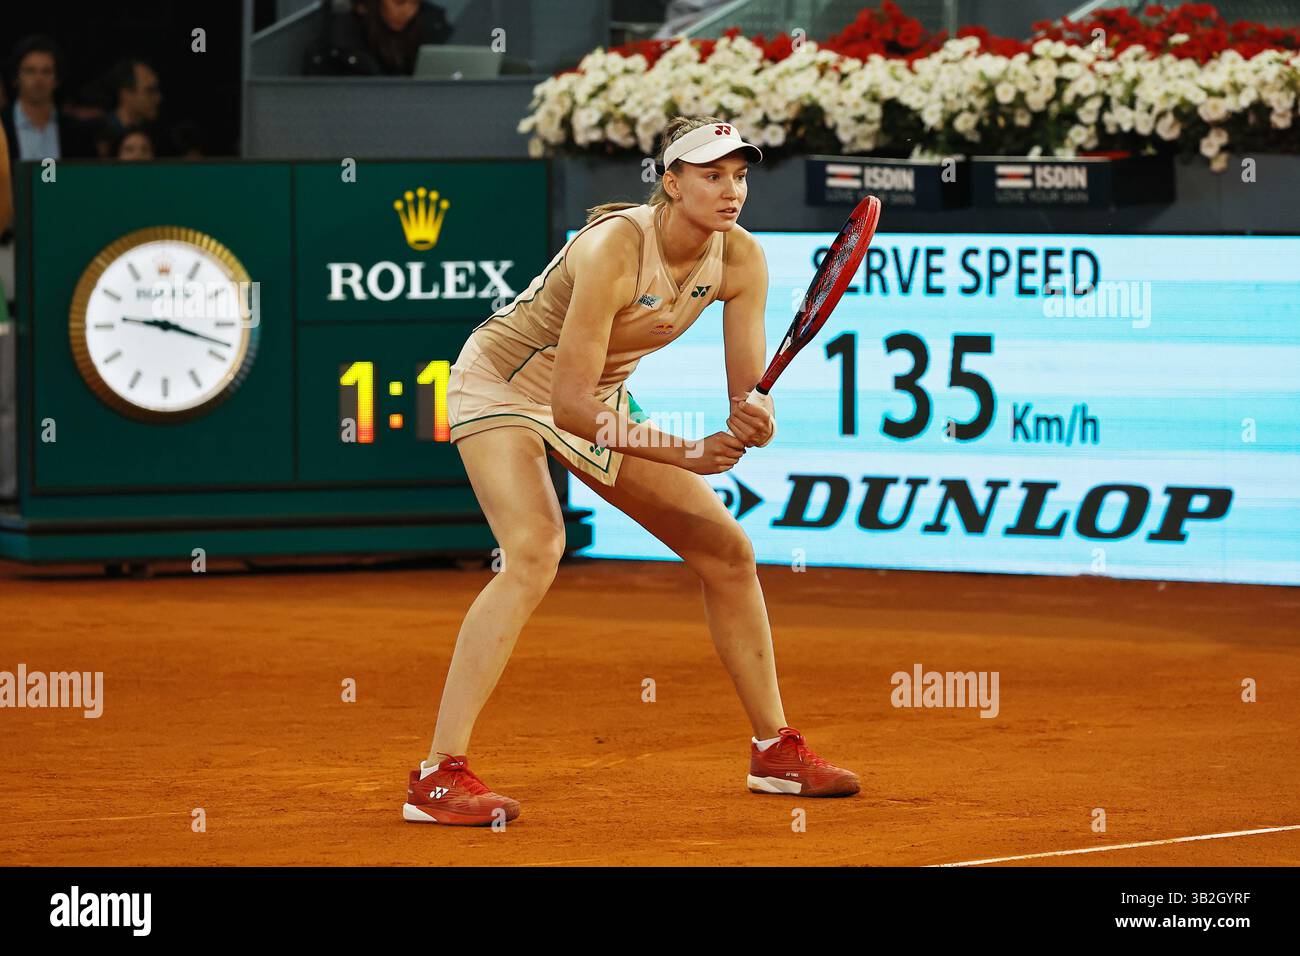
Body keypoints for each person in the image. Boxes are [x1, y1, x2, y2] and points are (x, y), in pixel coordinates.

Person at [403, 116, 860, 827]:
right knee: (535, 549)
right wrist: (689, 451)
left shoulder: (741, 259)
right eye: (711, 175)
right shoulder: (616, 246)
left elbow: (744, 398)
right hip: (504, 385)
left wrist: (753, 420)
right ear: (670, 183)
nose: (730, 189)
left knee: (727, 552)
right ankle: (438, 774)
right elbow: (570, 407)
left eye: (739, 175)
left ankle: (774, 751)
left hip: (597, 397)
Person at [1, 35, 95, 163]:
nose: (38, 79)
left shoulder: (77, 132)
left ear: (56, 80)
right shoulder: (2, 126)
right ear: (16, 78)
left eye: (46, 72)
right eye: (30, 71)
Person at [308, 0, 454, 76]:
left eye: (415, 3)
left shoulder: (431, 26)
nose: (407, 11)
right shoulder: (342, 40)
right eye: (399, 3)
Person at [101, 58, 162, 142]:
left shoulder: (154, 135)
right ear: (126, 94)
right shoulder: (102, 134)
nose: (159, 98)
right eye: (150, 91)